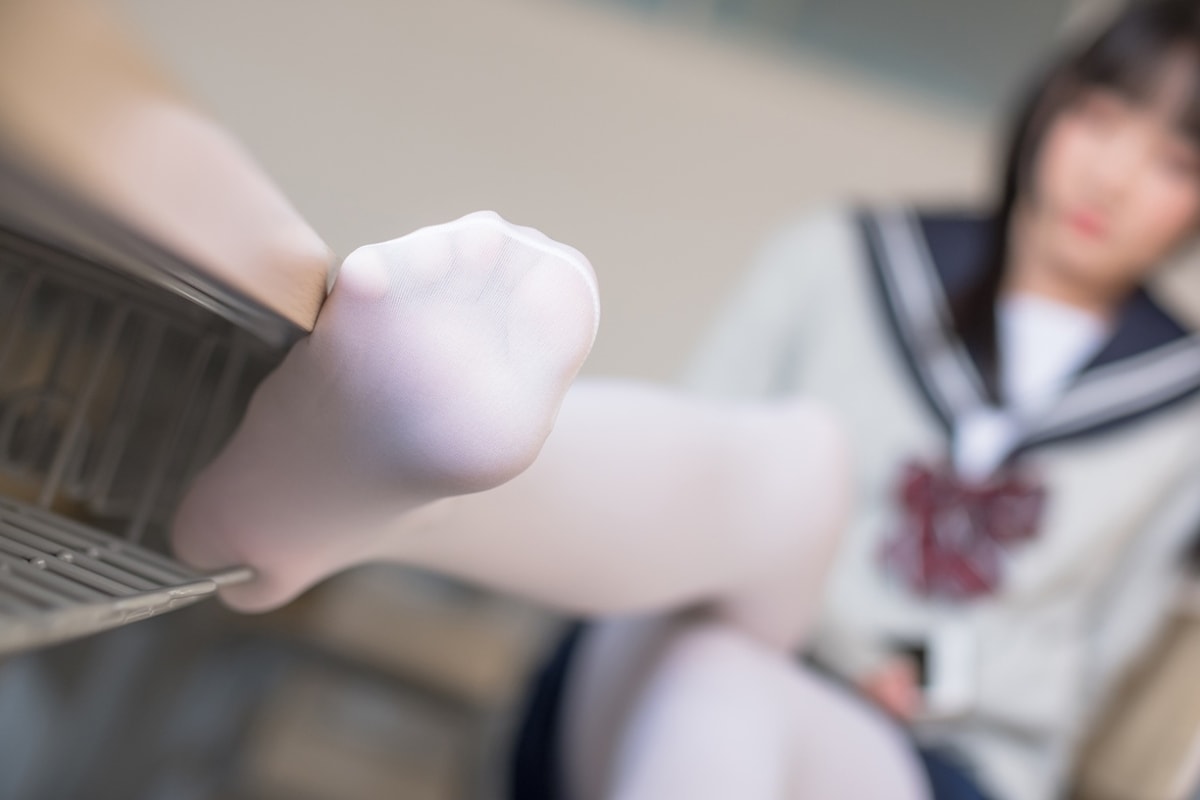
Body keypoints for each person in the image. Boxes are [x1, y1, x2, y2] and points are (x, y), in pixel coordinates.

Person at [172, 1, 1200, 798]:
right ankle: (398, 486)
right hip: (653, 661)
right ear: (1049, 108)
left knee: (730, 651)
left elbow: (1090, 660)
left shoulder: (1184, 408)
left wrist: (925, 669)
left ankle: (398, 510)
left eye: (1172, 161)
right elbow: (687, 518)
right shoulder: (840, 260)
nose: (1110, 177)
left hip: (920, 765)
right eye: (1099, 118)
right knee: (784, 476)